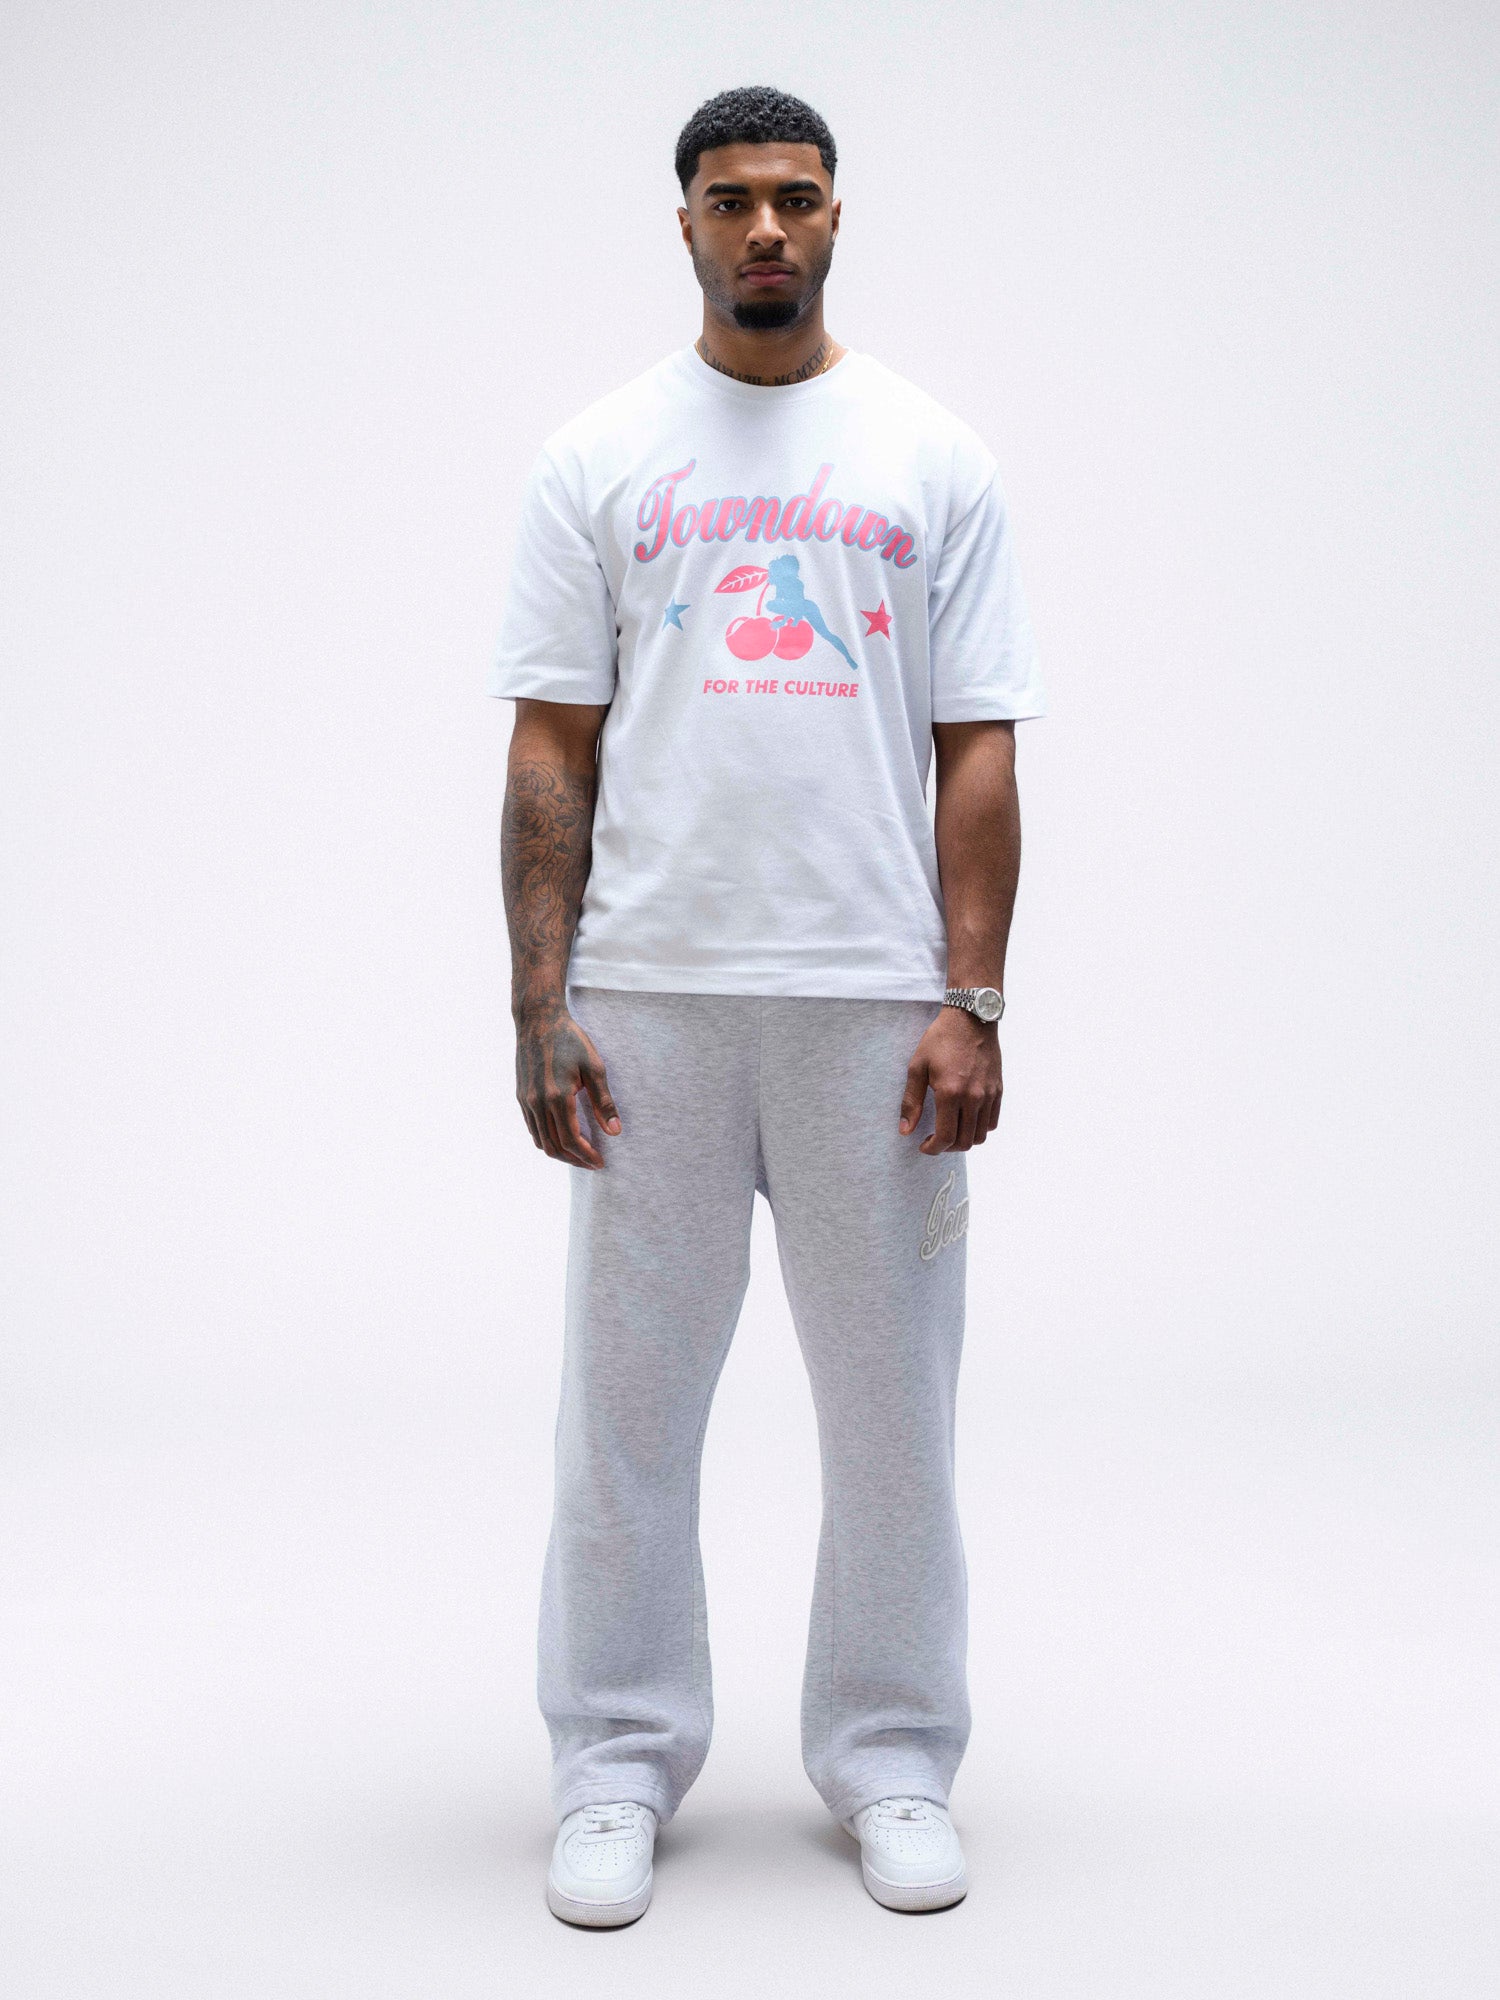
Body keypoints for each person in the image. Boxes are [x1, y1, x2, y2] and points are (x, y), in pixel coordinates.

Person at [490, 84, 1044, 1927]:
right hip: (648, 996)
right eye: (731, 200)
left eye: (796, 197)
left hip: (870, 1003)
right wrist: (540, 999)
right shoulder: (596, 457)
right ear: (686, 225)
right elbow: (550, 745)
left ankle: (893, 1756)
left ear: (835, 216)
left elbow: (979, 750)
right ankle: (613, 1761)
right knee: (626, 1415)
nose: (767, 229)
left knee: (891, 1414)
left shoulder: (931, 457)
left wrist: (973, 995)